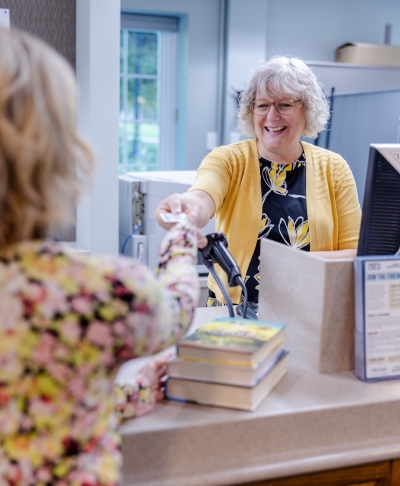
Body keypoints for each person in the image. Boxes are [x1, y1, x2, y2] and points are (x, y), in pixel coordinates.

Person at [0, 27, 207, 485]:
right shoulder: (96, 292)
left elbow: (27, 410)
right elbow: (178, 307)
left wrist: (129, 395)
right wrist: (181, 237)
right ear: (52, 153)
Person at [155, 56, 361, 307]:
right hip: (236, 314)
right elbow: (202, 196)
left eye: (284, 105)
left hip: (311, 312)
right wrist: (186, 209)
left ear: (306, 110)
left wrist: (293, 265)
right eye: (262, 105)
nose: (271, 116)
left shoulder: (334, 168)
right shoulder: (228, 160)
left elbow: (356, 253)